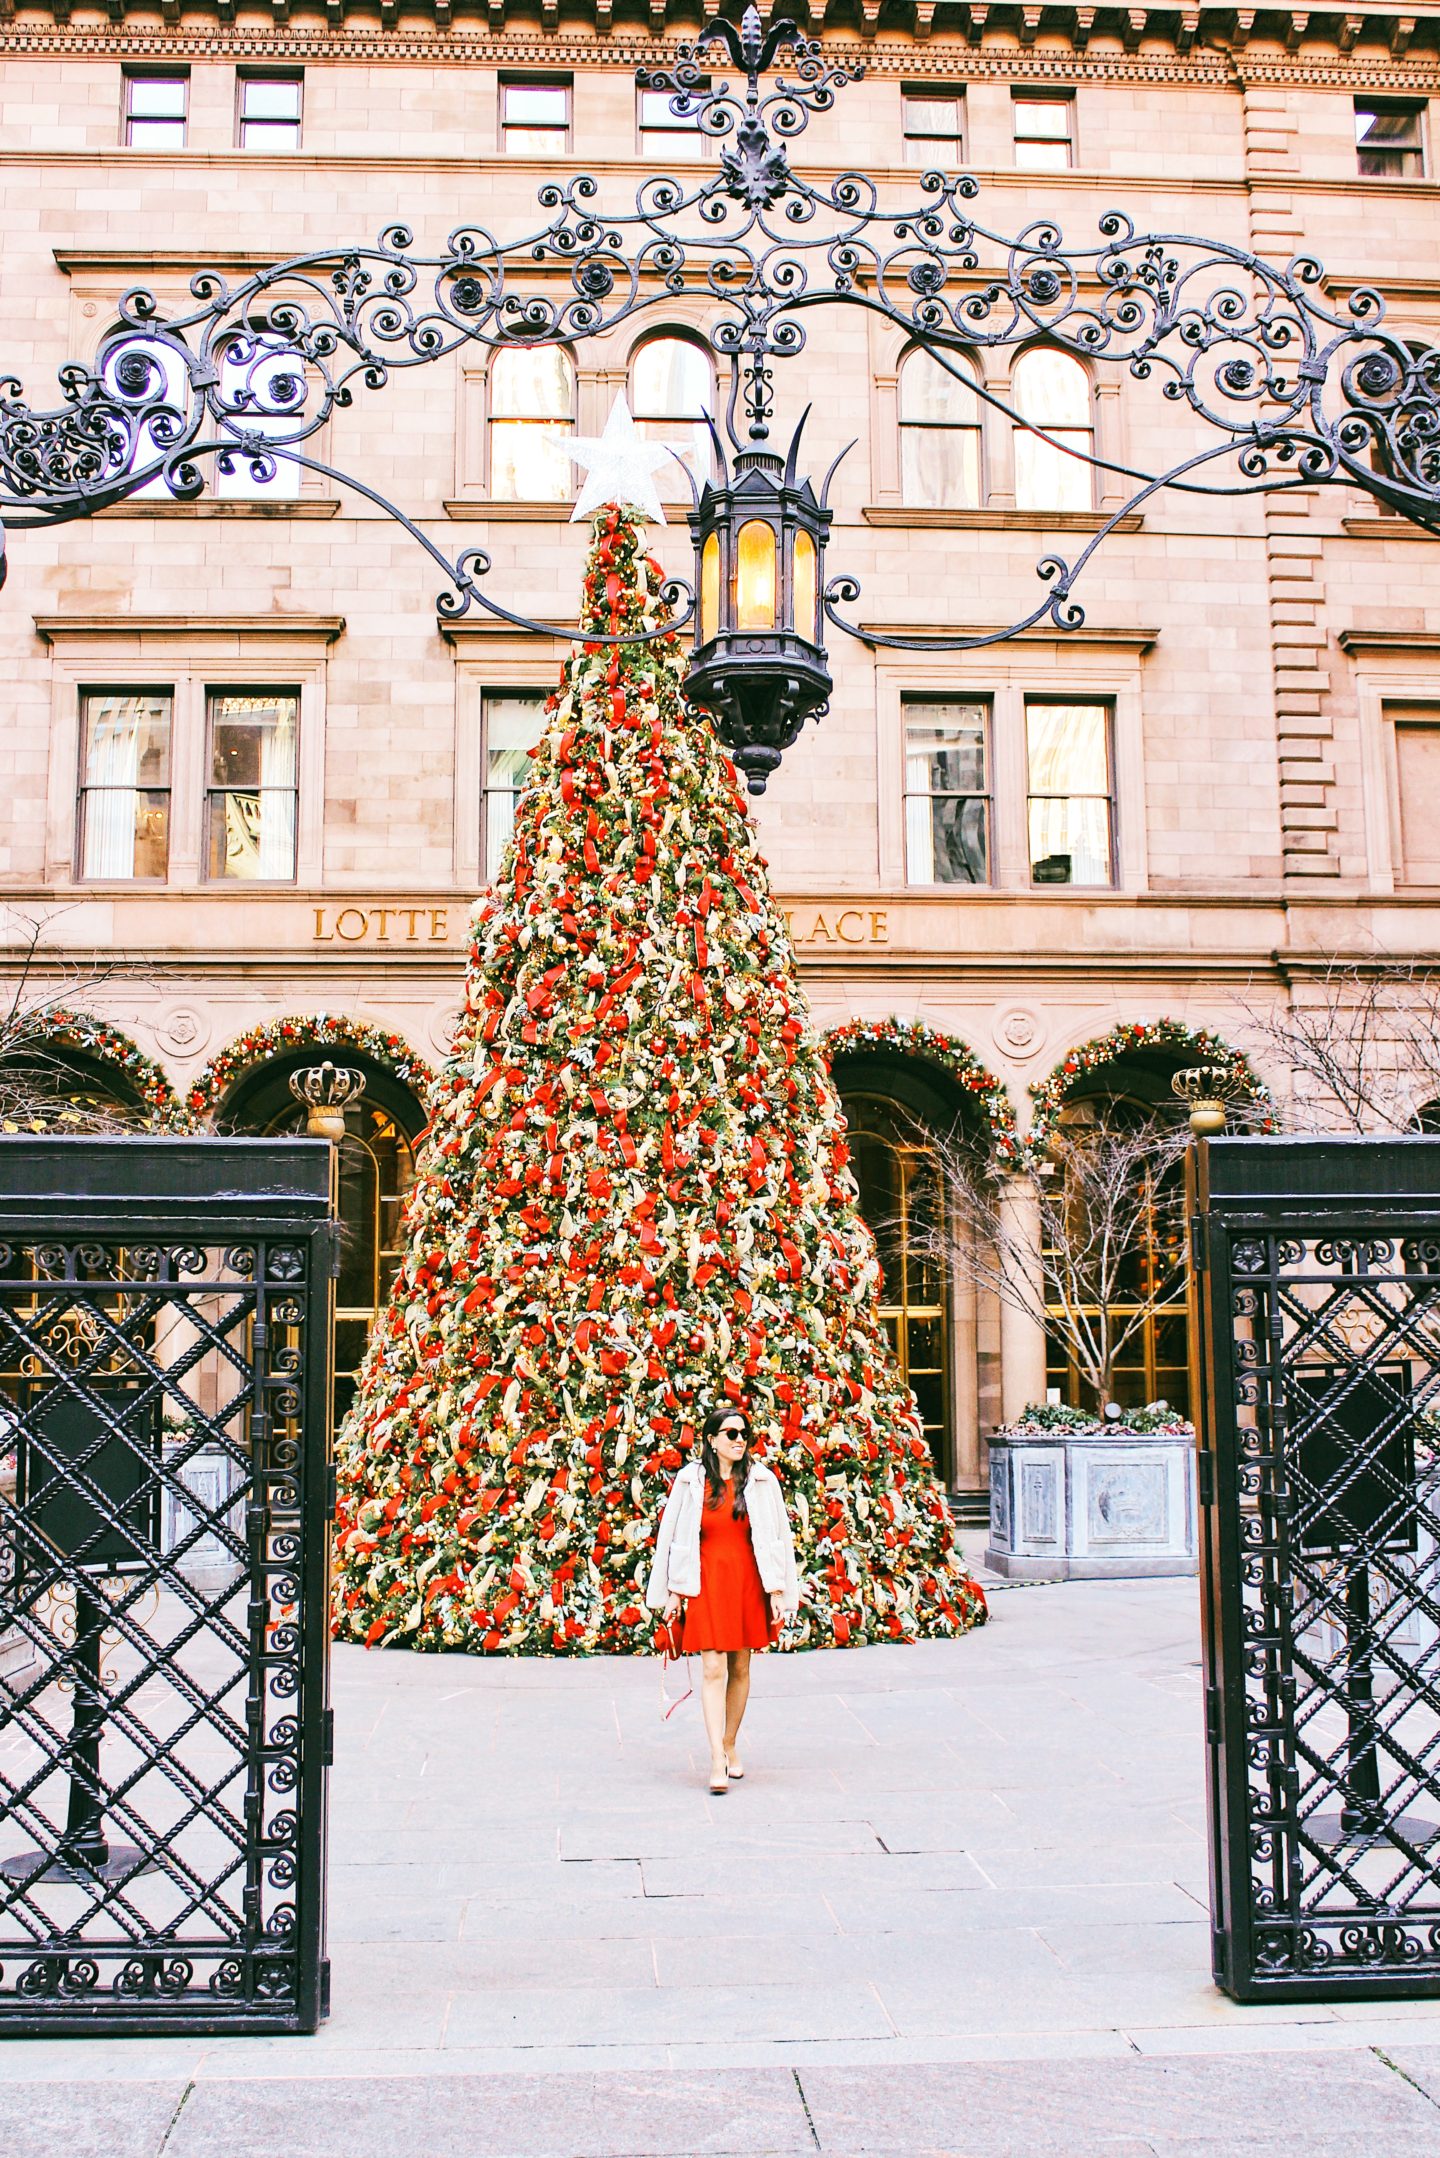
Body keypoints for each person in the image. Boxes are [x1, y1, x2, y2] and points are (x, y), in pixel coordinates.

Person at [645, 1404, 800, 1794]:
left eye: (743, 1433)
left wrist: (778, 1590)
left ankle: (731, 1741)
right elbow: (673, 1540)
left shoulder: (762, 1481)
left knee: (741, 1668)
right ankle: (716, 1755)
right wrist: (673, 1593)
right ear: (712, 1441)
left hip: (746, 1580)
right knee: (713, 1668)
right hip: (706, 1582)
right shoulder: (690, 1481)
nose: (738, 1440)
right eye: (730, 1433)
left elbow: (777, 1537)